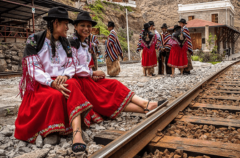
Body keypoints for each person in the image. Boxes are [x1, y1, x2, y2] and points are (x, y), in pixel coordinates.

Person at [69, 12, 168, 151]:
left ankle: (146, 104)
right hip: (79, 82)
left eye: (88, 26)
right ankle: (145, 107)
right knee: (106, 94)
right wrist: (92, 73)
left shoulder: (84, 42)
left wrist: (92, 74)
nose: (86, 28)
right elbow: (70, 67)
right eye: (82, 25)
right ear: (75, 26)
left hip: (87, 78)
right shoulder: (72, 43)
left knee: (114, 83)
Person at [15, 8, 94, 153]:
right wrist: (51, 82)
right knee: (56, 96)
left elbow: (71, 65)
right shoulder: (34, 40)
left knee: (73, 84)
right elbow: (32, 69)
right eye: (65, 24)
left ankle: (77, 133)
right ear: (55, 23)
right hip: (42, 84)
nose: (67, 28)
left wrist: (65, 75)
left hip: (61, 80)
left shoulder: (66, 43)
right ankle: (52, 130)